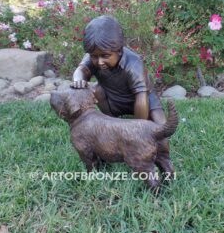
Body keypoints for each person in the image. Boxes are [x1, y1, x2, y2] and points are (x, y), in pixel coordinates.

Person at [72, 15, 174, 175]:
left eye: (105, 56)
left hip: (143, 99)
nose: (98, 62)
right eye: (94, 56)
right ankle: (111, 125)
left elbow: (141, 97)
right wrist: (78, 79)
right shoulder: (95, 54)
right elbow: (81, 71)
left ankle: (164, 160)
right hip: (113, 99)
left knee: (162, 129)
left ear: (119, 50)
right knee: (98, 89)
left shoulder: (134, 63)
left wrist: (138, 129)